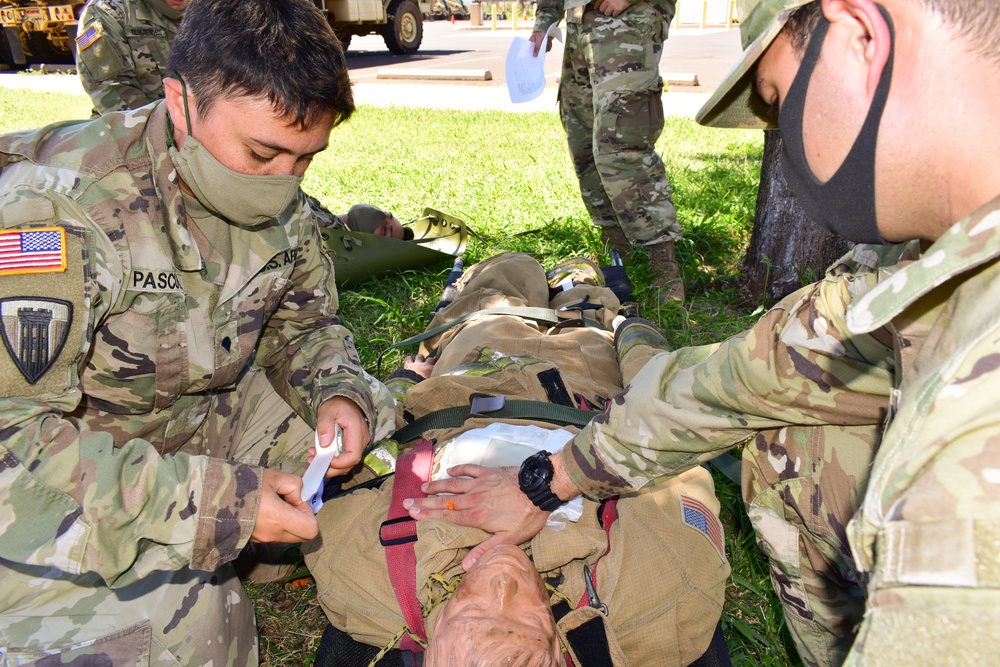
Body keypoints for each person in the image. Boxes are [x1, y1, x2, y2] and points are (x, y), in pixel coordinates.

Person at [407, 0, 1000, 665]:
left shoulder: (973, 451)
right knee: (791, 436)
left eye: (776, 101)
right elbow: (747, 378)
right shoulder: (922, 267)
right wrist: (549, 479)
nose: (789, 145)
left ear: (862, 34)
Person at [0, 0, 395, 664]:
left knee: (372, 434)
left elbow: (303, 322)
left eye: (305, 160)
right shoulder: (57, 211)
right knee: (191, 621)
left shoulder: (276, 196)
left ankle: (251, 545)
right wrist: (211, 501)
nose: (283, 185)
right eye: (263, 153)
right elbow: (14, 445)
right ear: (180, 104)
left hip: (191, 424)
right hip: (61, 467)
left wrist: (338, 393)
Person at [302, 253, 730, 666]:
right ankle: (576, 280)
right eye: (530, 619)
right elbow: (669, 446)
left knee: (508, 275)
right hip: (589, 385)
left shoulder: (357, 574)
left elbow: (368, 455)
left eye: (471, 612)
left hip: (472, 375)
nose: (503, 586)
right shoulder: (661, 595)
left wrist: (401, 383)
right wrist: (632, 333)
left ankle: (520, 278)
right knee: (586, 305)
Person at [530, 0, 685, 304]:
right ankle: (617, 253)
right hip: (579, 28)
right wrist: (544, 20)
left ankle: (663, 267)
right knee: (583, 144)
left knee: (621, 147)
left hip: (628, 21)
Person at [74, 0, 187, 116]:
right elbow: (111, 91)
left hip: (194, 125)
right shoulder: (107, 11)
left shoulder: (202, 8)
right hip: (138, 125)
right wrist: (167, 127)